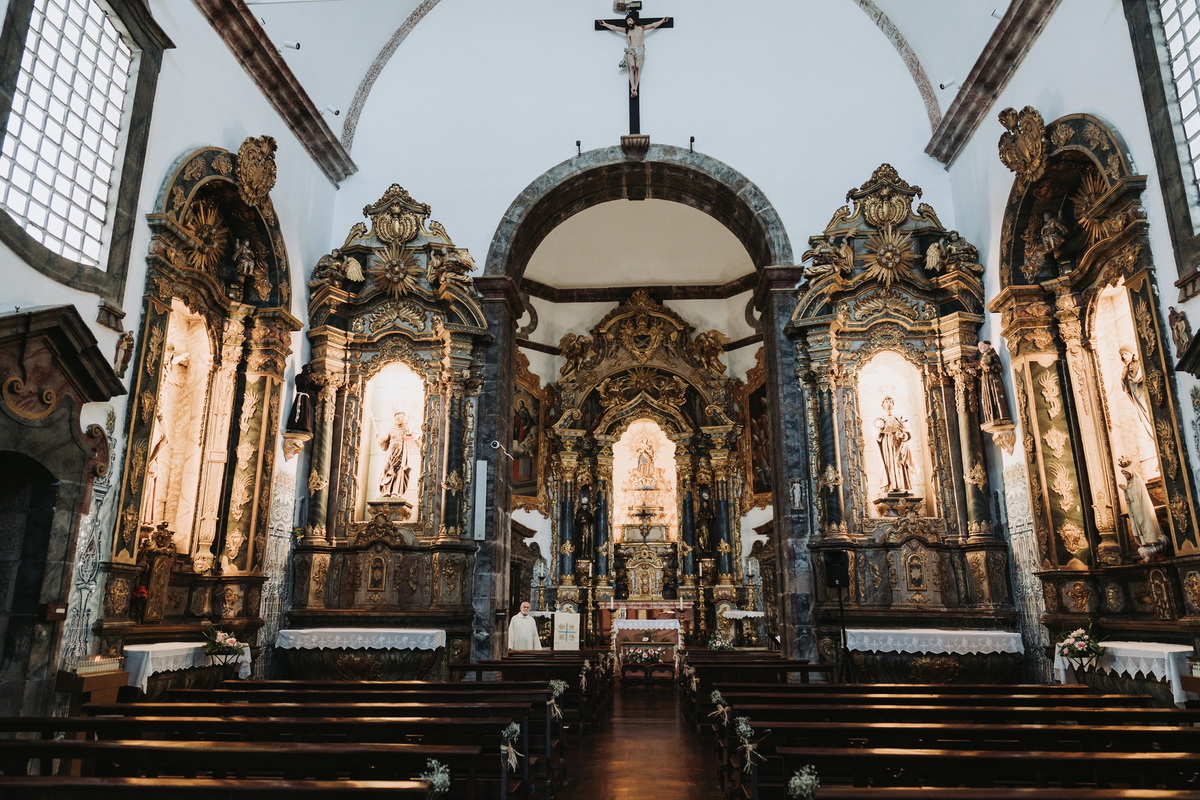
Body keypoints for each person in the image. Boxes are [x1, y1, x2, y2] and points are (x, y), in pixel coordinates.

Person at [597, 14, 671, 97]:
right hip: (631, 50)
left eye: (630, 20)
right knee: (632, 67)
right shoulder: (627, 30)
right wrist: (605, 24)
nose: (628, 22)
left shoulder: (641, 28)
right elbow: (615, 28)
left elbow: (653, 25)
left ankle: (635, 87)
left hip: (640, 50)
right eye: (627, 21)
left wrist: (662, 21)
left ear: (634, 20)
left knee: (637, 68)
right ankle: (632, 87)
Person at [874, 396, 914, 494]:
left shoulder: (898, 418)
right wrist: (879, 432)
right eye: (886, 402)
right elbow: (876, 435)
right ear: (882, 405)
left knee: (898, 463)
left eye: (890, 402)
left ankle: (900, 485)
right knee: (888, 463)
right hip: (886, 443)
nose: (888, 404)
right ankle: (890, 485)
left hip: (898, 443)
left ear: (893, 404)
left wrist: (902, 435)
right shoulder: (880, 419)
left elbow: (907, 433)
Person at [378, 411, 415, 498]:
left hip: (401, 451)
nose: (400, 419)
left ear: (404, 418)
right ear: (395, 419)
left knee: (399, 470)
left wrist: (410, 425)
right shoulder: (391, 429)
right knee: (387, 469)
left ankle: (395, 492)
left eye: (402, 417)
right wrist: (379, 438)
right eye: (398, 418)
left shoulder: (406, 428)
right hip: (391, 451)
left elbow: (410, 436)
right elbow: (385, 440)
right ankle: (386, 491)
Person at [1119, 347, 1153, 436]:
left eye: (1126, 354)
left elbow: (1138, 377)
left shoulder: (1138, 363)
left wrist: (1132, 378)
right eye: (1122, 355)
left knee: (1148, 412)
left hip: (1142, 392)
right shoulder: (1126, 369)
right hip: (1136, 395)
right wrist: (1124, 376)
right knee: (1144, 415)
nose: (1124, 356)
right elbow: (1125, 387)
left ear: (1132, 354)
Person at [977, 341, 1012, 425]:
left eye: (982, 346)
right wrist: (975, 372)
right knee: (987, 398)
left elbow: (999, 367)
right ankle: (991, 417)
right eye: (979, 347)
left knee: (995, 396)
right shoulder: (982, 358)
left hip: (993, 379)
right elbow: (981, 372)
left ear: (988, 345)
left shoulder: (993, 355)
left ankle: (1000, 416)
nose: (980, 348)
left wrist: (989, 368)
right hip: (986, 381)